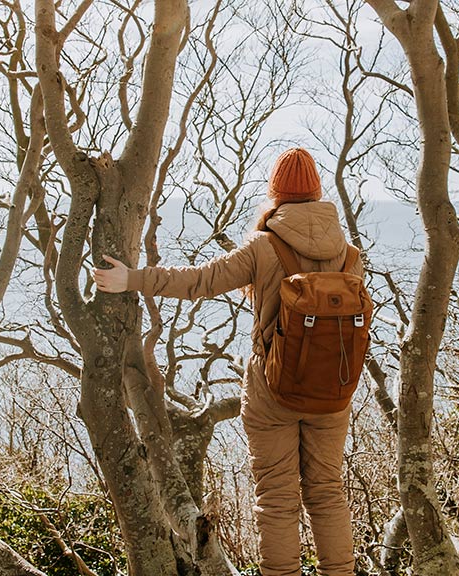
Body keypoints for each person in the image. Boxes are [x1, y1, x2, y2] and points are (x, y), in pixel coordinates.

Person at [93, 147, 360, 576]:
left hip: (274, 388)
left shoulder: (264, 246)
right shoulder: (348, 253)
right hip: (334, 389)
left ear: (275, 195)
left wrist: (133, 279)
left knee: (276, 497)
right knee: (327, 493)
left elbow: (200, 281)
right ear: (317, 191)